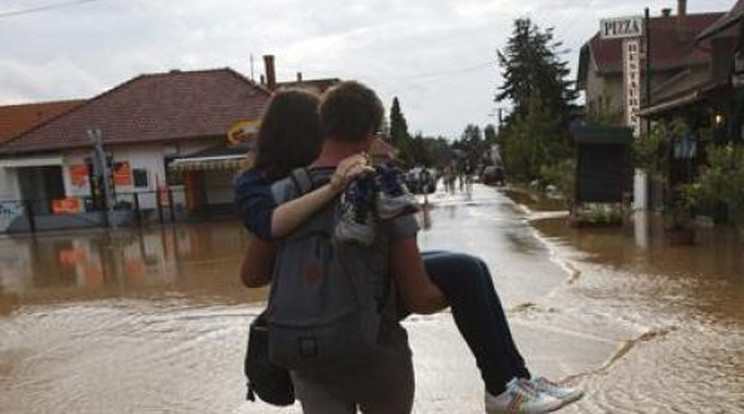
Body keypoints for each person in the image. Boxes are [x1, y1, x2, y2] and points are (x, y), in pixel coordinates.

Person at [237, 84, 582, 413]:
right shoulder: (379, 184)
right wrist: (453, 298)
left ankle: (514, 380)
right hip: (372, 346)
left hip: (309, 348)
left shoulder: (279, 195)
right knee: (466, 271)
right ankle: (506, 384)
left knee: (465, 267)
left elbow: (252, 276)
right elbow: (420, 296)